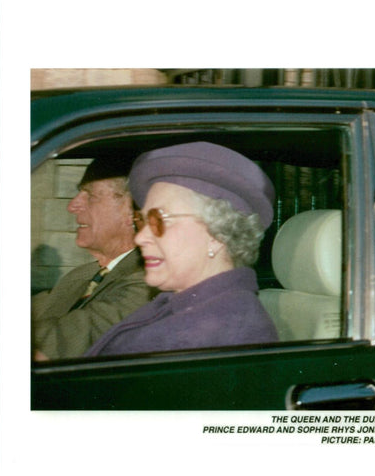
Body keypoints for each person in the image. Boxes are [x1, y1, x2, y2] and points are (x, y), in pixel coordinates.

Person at [85, 141, 278, 356]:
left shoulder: (212, 335)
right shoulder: (188, 306)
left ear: (216, 234)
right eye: (143, 220)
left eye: (159, 220)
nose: (140, 237)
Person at [32, 156, 158, 360]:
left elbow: (53, 345)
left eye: (90, 195)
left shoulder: (147, 282)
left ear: (130, 210)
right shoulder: (83, 275)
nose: (72, 206)